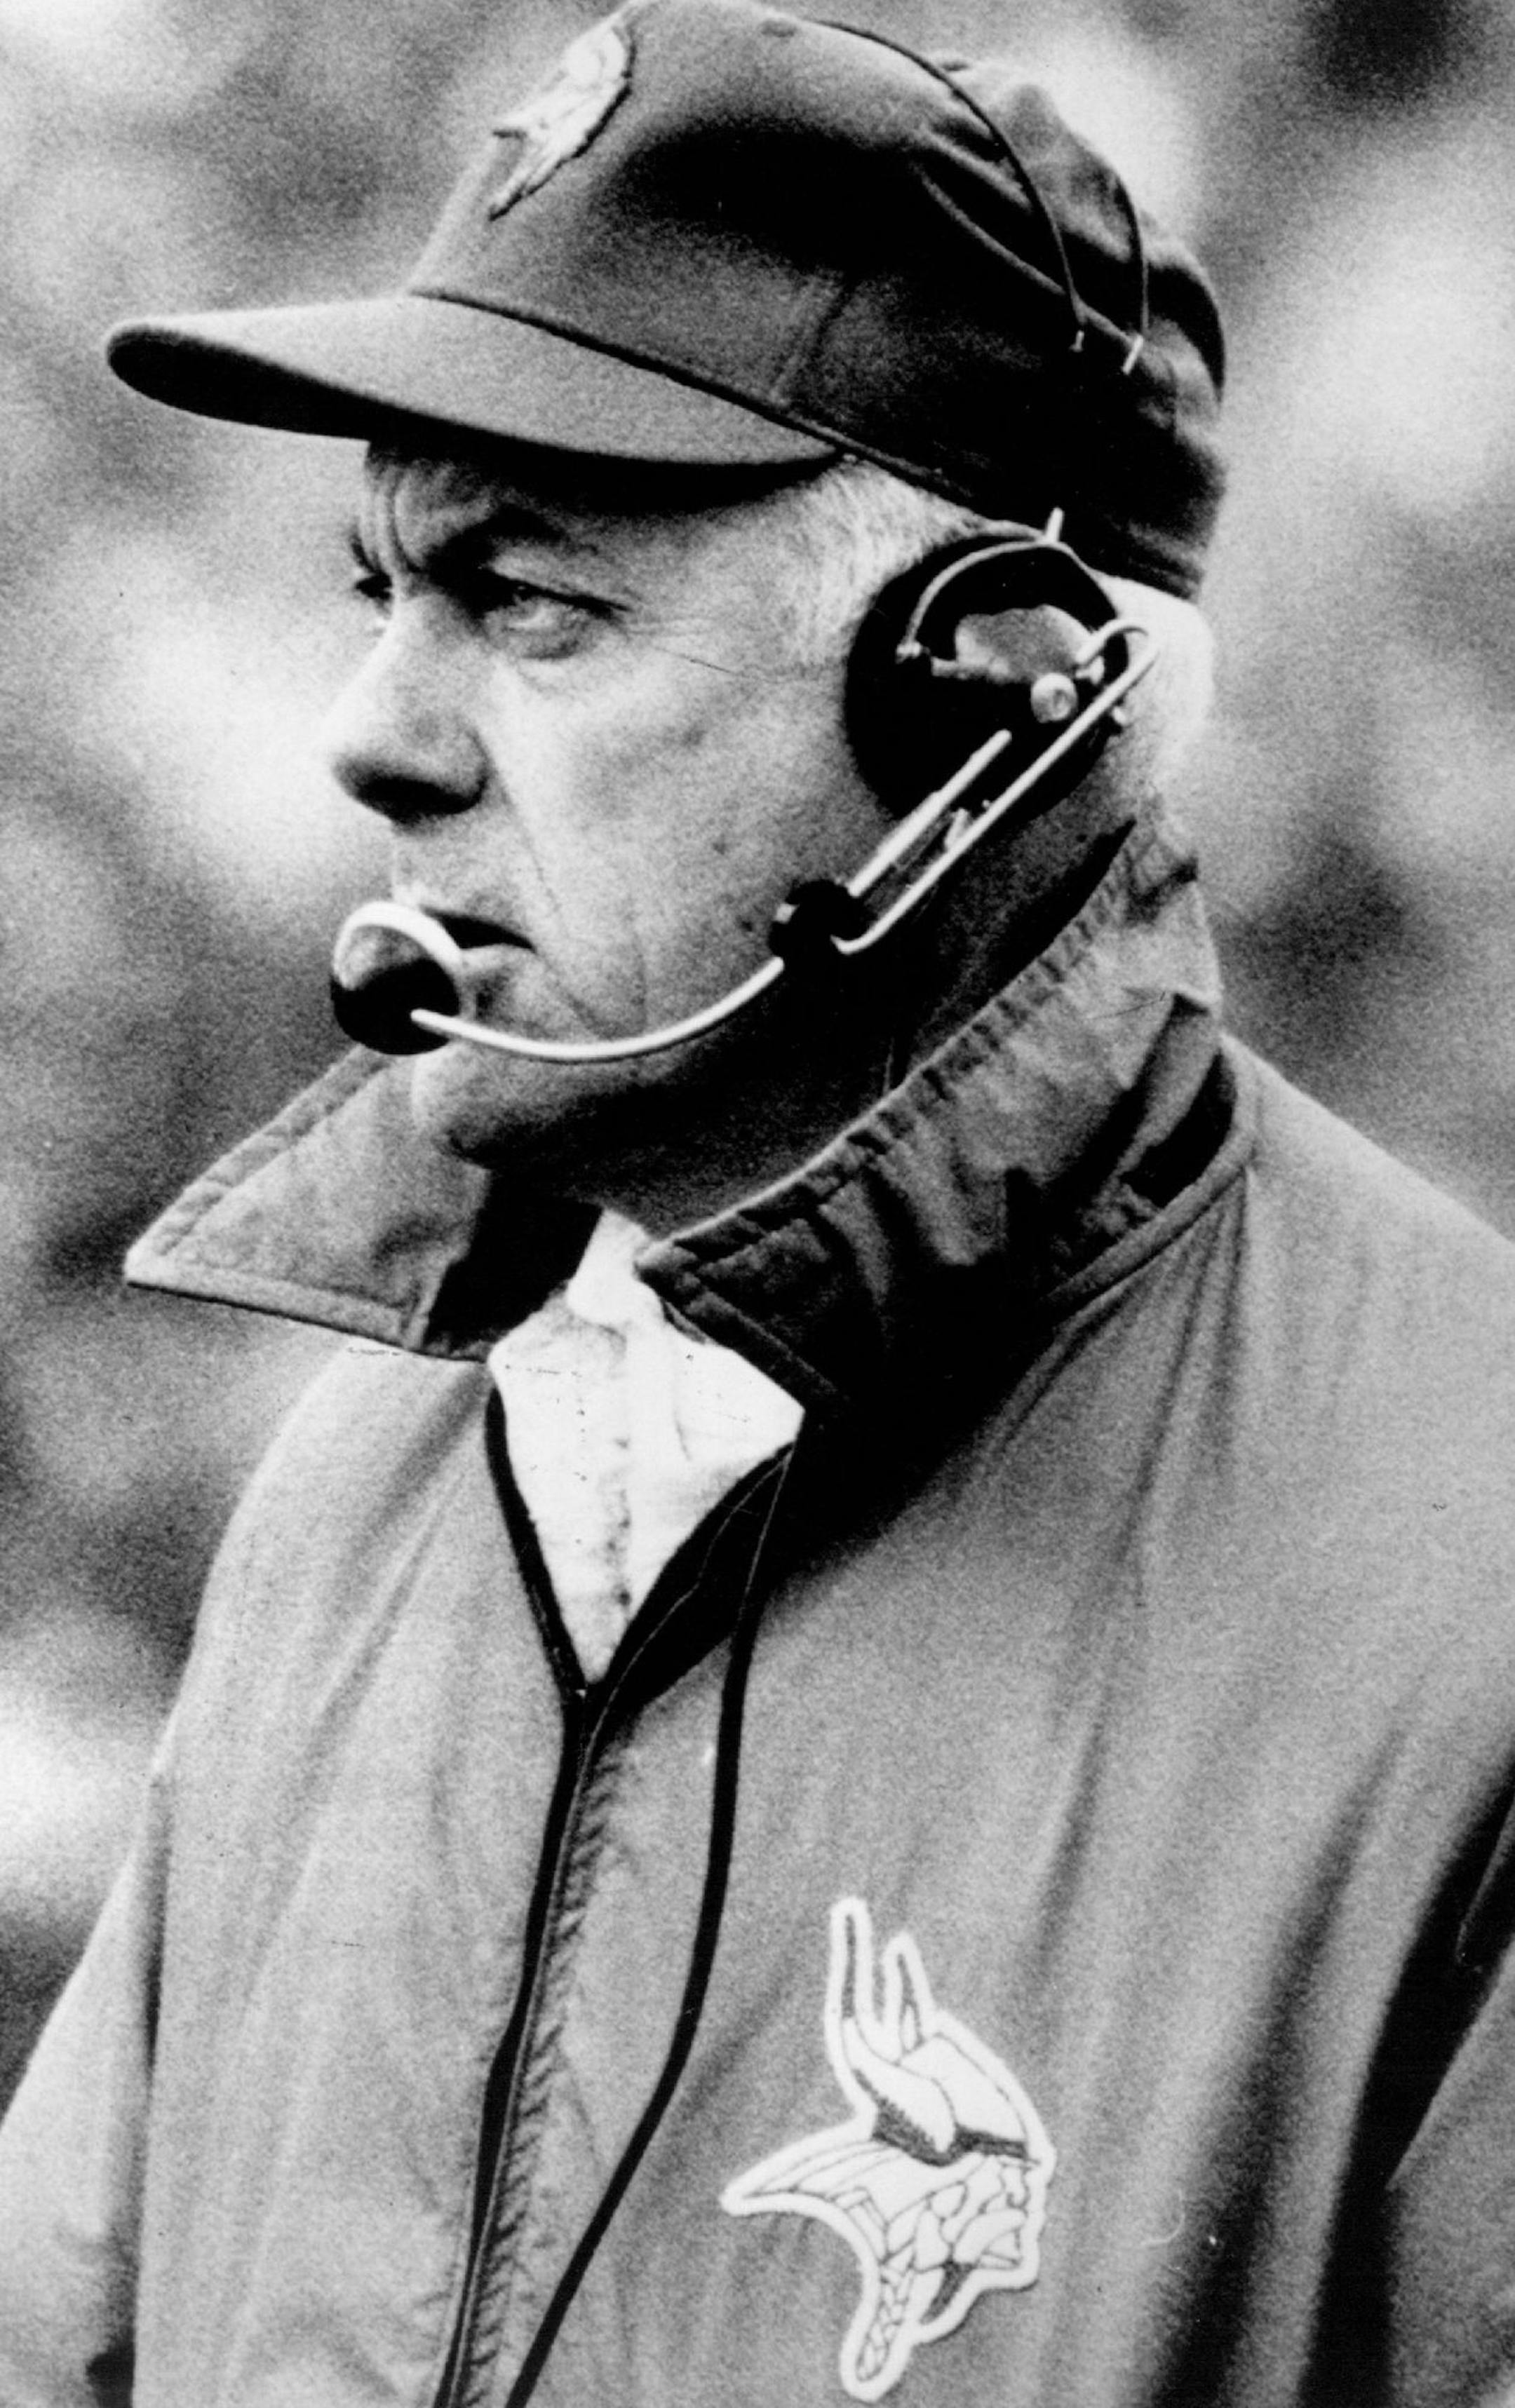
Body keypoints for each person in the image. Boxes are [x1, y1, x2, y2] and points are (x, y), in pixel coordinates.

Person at [3, 2, 1514, 2402]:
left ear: (992, 699)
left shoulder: (1475, 1566)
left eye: (527, 603)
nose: (373, 730)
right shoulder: (359, 1496)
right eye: (378, 587)